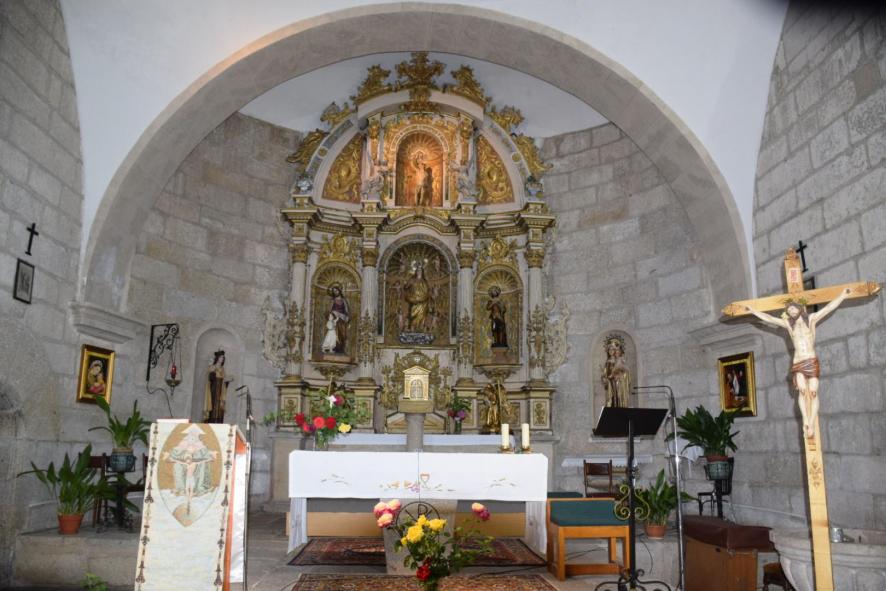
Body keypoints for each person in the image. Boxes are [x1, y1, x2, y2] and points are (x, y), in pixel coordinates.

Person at [743, 287, 851, 438]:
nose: (791, 312)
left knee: (813, 392)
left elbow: (828, 308)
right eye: (789, 311)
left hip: (811, 360)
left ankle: (811, 422)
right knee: (802, 391)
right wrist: (753, 311)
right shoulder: (788, 324)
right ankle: (806, 420)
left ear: (799, 308)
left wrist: (843, 295)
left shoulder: (811, 319)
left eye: (793, 309)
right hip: (798, 362)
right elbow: (770, 319)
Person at [601, 336, 631, 407]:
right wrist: (605, 379)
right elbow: (604, 374)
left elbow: (627, 373)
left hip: (619, 383)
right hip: (611, 384)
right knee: (612, 399)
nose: (611, 351)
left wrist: (621, 376)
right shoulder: (608, 362)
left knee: (619, 398)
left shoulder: (620, 360)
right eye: (610, 349)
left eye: (613, 349)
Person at [404, 262, 430, 332]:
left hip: (423, 302)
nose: (419, 272)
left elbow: (427, 292)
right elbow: (405, 288)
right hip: (414, 301)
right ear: (416, 272)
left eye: (420, 270)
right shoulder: (412, 280)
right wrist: (409, 297)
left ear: (422, 272)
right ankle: (413, 328)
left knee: (422, 316)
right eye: (418, 270)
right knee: (413, 315)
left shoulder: (424, 281)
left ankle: (421, 328)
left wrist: (424, 297)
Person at [204, 350, 228, 423]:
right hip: (213, 389)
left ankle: (218, 420)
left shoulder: (222, 369)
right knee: (213, 404)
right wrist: (212, 372)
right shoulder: (212, 367)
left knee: (219, 406)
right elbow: (210, 378)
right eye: (221, 357)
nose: (222, 359)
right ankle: (211, 419)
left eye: (223, 358)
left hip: (220, 389)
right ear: (217, 358)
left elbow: (224, 379)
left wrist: (227, 381)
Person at [327, 285, 350, 354]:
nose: (335, 292)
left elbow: (347, 311)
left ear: (339, 291)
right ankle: (334, 347)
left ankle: (341, 348)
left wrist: (346, 316)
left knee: (342, 334)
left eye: (336, 290)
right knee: (334, 334)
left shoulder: (343, 300)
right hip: (334, 320)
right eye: (334, 291)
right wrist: (333, 313)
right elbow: (328, 310)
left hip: (342, 320)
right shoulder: (332, 301)